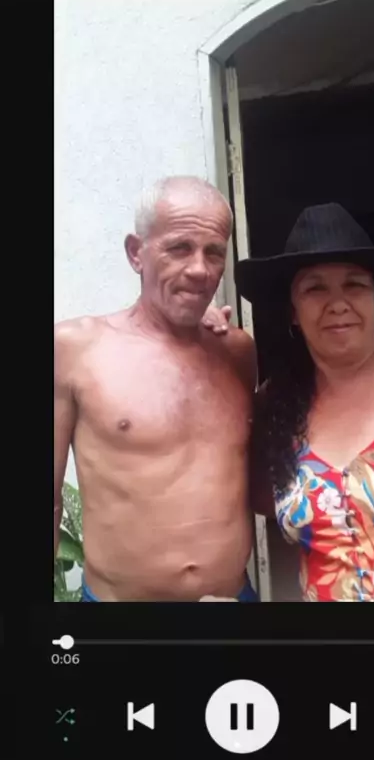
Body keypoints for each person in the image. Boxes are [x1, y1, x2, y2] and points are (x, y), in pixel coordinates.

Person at [54, 176, 257, 602]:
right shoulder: (73, 350)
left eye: (214, 252)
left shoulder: (237, 351)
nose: (200, 269)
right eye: (179, 248)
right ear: (136, 253)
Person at [236, 203, 374, 602]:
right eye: (315, 288)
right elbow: (261, 500)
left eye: (355, 285)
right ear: (293, 311)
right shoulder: (278, 405)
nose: (337, 303)